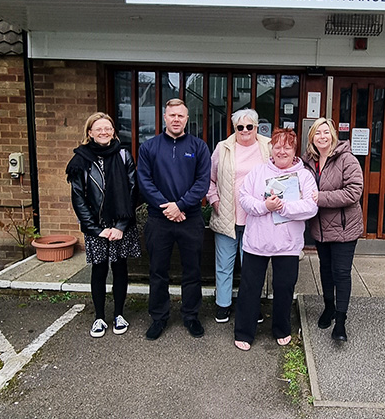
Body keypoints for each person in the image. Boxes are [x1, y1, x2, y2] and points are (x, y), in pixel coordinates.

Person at [233, 127, 317, 351]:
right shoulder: (258, 172)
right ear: (271, 148)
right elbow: (244, 199)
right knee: (250, 288)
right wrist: (264, 206)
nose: (282, 151)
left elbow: (310, 206)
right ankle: (244, 331)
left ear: (294, 150)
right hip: (257, 242)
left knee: (284, 287)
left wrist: (284, 207)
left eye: (287, 147)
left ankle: (281, 328)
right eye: (277, 146)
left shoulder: (304, 175)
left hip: (287, 245)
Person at [137, 98, 212, 340]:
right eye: (172, 115)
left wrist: (179, 206)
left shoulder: (199, 147)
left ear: (187, 119)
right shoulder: (149, 148)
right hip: (159, 220)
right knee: (158, 270)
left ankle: (191, 316)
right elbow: (144, 182)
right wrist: (167, 207)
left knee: (192, 270)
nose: (176, 119)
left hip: (189, 218)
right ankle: (159, 317)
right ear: (165, 118)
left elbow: (202, 183)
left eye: (181, 116)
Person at [66, 112, 141, 338]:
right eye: (98, 129)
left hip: (121, 224)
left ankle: (119, 314)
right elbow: (78, 197)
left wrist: (119, 226)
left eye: (107, 128)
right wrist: (97, 229)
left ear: (113, 131)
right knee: (99, 270)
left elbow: (132, 191)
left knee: (120, 269)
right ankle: (99, 317)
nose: (103, 132)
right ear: (90, 132)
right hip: (96, 227)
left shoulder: (123, 155)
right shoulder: (80, 159)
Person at [207, 109, 272, 323]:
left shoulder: (268, 146)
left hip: (256, 218)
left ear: (256, 127)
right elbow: (210, 179)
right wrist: (214, 200)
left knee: (252, 268)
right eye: (240, 127)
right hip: (227, 216)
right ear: (234, 128)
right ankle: (223, 305)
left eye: (249, 127)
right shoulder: (223, 148)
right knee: (224, 264)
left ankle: (252, 305)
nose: (245, 131)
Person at [305, 117, 364, 342]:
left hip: (344, 228)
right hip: (320, 229)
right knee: (325, 270)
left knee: (341, 273)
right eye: (317, 133)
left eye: (326, 132)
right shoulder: (308, 161)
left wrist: (320, 198)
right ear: (312, 137)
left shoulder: (346, 159)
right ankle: (328, 308)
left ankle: (340, 321)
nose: (322, 136)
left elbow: (353, 192)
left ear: (332, 136)